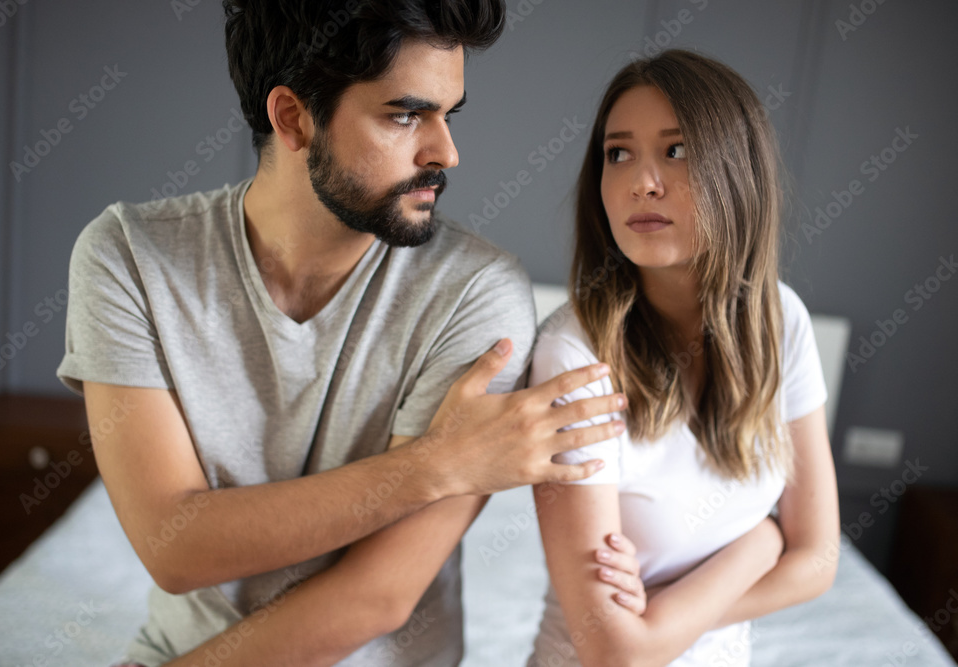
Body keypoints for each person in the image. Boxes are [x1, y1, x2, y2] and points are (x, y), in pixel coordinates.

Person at [55, 2, 628, 665]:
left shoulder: (477, 292)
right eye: (405, 115)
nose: (446, 152)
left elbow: (377, 597)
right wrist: (438, 464)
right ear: (293, 118)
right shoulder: (129, 257)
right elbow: (175, 549)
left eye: (450, 114)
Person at [526, 49, 840, 667]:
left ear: (737, 172)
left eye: (676, 150)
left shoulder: (782, 321)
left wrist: (661, 615)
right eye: (618, 153)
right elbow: (614, 651)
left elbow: (819, 562)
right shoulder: (574, 356)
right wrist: (764, 540)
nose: (642, 181)